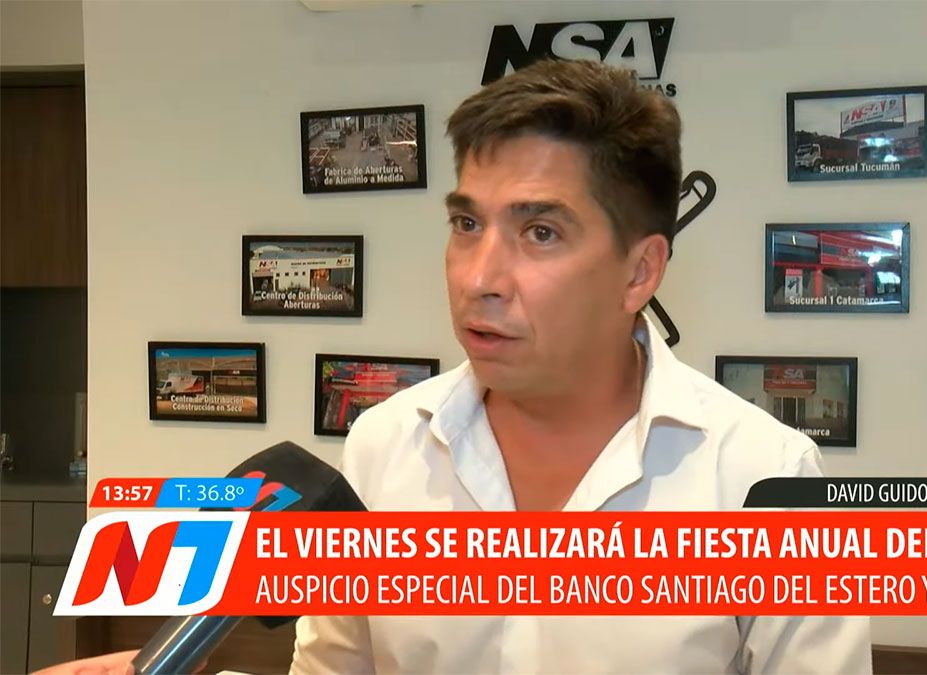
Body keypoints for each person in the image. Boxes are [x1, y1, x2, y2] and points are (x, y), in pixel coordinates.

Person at [290, 58, 871, 674]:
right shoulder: (383, 445)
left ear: (639, 272)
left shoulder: (768, 481)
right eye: (467, 224)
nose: (478, 278)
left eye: (540, 232)